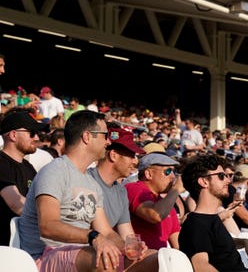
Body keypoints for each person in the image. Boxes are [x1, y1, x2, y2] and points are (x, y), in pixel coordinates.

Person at [19, 110, 155, 271]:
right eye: (104, 135)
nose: (107, 142)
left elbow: (107, 232)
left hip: (80, 253)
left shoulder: (92, 184)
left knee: (153, 259)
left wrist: (126, 247)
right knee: (105, 261)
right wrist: (93, 237)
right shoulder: (54, 171)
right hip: (45, 255)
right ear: (87, 137)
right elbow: (48, 225)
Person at [179, 153, 248, 272]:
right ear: (204, 182)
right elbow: (201, 266)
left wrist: (244, 242)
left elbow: (219, 247)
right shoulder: (196, 223)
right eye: (221, 176)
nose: (228, 180)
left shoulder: (210, 218)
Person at [0, 108, 46, 245]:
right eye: (32, 133)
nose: (37, 138)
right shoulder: (1, 163)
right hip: (6, 249)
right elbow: (16, 204)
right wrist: (52, 218)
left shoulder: (28, 167)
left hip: (23, 245)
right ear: (13, 135)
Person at [125, 152, 182, 250]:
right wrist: (176, 189)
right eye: (168, 171)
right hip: (139, 260)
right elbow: (155, 215)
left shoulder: (166, 206)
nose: (173, 177)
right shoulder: (134, 188)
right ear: (149, 174)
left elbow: (178, 245)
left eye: (174, 171)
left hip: (161, 261)